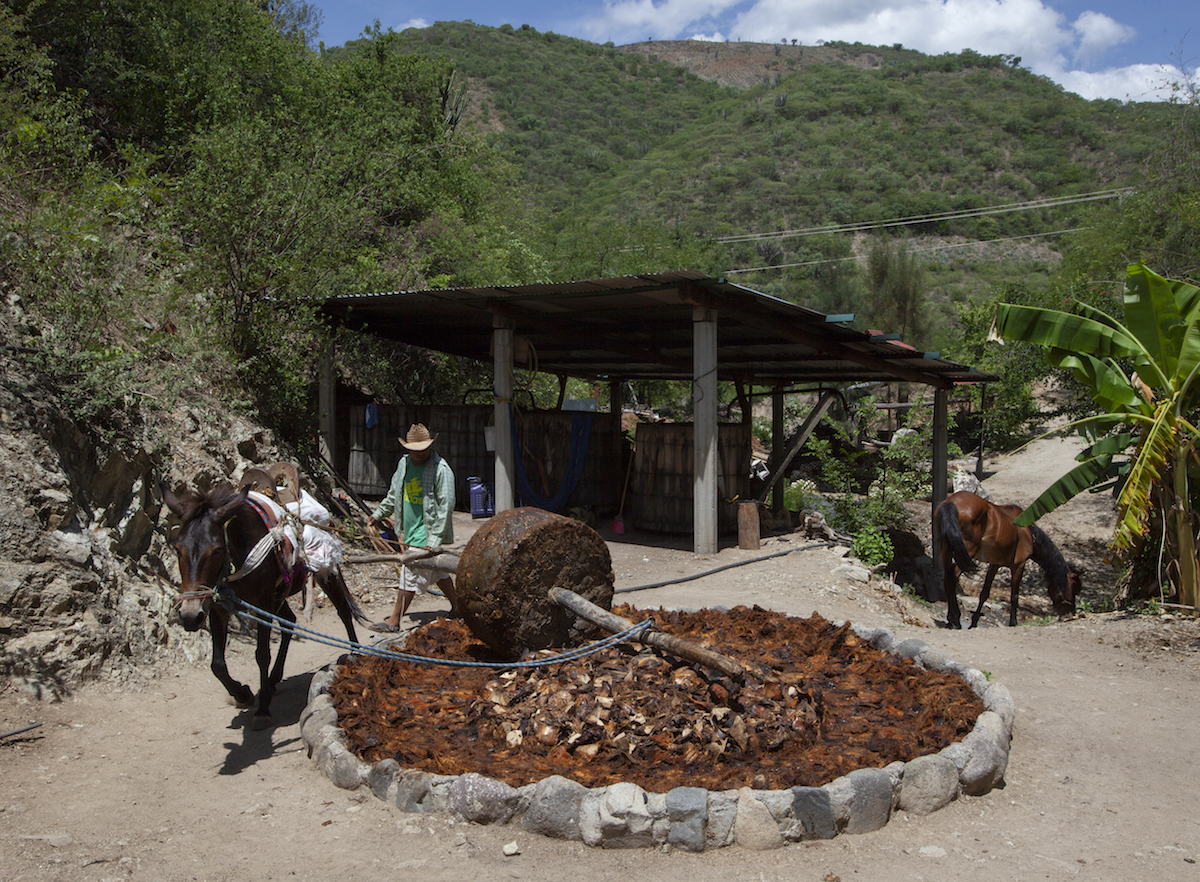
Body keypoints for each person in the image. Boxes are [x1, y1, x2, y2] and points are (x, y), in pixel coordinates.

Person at [367, 423, 457, 632]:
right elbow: (393, 494)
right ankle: (458, 605)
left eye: (423, 449)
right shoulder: (404, 464)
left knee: (411, 570)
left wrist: (434, 541)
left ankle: (394, 621)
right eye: (414, 450)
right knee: (438, 573)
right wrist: (378, 515)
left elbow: (446, 506)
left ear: (430, 446)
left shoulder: (440, 469)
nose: (418, 454)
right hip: (408, 530)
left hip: (427, 532)